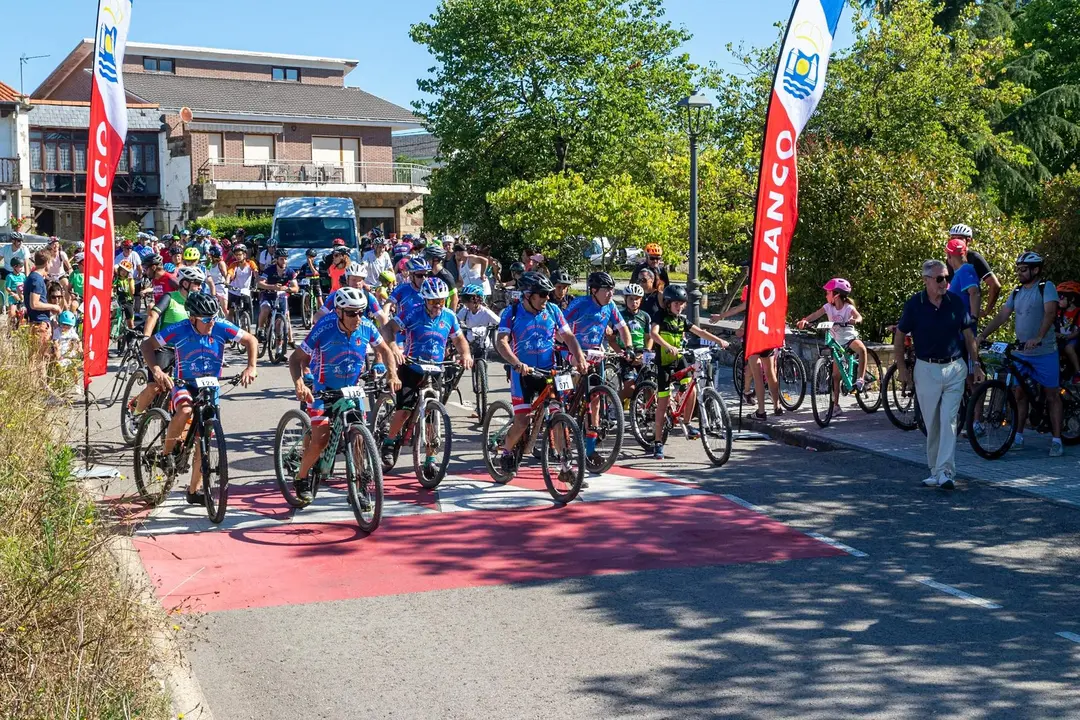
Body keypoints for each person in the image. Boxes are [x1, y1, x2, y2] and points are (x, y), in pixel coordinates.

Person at [141, 292, 257, 505]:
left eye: (213, 317)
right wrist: (157, 370)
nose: (211, 323)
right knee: (185, 411)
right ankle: (166, 454)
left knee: (204, 440)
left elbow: (251, 339)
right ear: (193, 317)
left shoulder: (220, 326)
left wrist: (251, 366)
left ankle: (194, 491)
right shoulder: (179, 329)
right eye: (206, 319)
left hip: (211, 386)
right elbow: (147, 345)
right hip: (184, 383)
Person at [289, 286, 400, 503]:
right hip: (323, 390)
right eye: (351, 313)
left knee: (359, 438)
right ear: (338, 312)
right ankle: (301, 477)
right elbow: (295, 358)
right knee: (321, 440)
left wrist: (392, 375)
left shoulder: (367, 326)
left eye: (360, 312)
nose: (357, 317)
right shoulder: (324, 326)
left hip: (351, 389)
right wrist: (300, 383)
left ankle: (359, 488)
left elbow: (385, 351)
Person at [894, 259, 984, 487]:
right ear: (926, 280)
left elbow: (968, 336)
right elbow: (899, 335)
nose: (945, 282)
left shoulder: (955, 302)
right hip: (926, 369)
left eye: (947, 278)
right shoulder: (915, 304)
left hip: (955, 368)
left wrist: (976, 364)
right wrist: (902, 369)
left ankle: (945, 472)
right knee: (932, 423)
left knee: (949, 420)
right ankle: (935, 470)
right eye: (940, 278)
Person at [495, 271, 587, 472]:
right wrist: (516, 363)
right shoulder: (511, 313)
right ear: (528, 295)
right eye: (543, 295)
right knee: (522, 420)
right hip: (523, 373)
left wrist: (579, 357)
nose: (548, 298)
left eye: (548, 294)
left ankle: (566, 467)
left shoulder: (553, 310)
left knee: (559, 415)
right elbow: (501, 342)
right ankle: (507, 451)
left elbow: (569, 337)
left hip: (549, 372)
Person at [383, 277, 472, 477]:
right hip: (412, 366)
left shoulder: (449, 315)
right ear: (424, 300)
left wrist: (465, 354)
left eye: (441, 300)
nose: (437, 305)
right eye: (433, 301)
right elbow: (388, 329)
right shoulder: (412, 312)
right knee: (404, 410)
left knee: (433, 416)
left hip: (436, 369)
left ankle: (430, 459)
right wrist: (395, 348)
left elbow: (459, 339)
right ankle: (389, 441)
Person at [978, 251, 1065, 457]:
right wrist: (983, 334)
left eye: (1023, 269)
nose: (1019, 273)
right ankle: (1017, 436)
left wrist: (1039, 337)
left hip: (1044, 351)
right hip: (1022, 352)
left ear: (1035, 270)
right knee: (1019, 393)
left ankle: (1057, 440)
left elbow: (1050, 313)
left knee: (1052, 395)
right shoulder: (1016, 291)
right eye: (1018, 269)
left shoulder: (1046, 288)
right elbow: (1002, 315)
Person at [649, 284, 729, 460]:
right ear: (668, 303)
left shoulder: (681, 320)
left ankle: (686, 422)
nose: (680, 307)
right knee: (662, 404)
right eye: (676, 304)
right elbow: (654, 334)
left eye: (682, 304)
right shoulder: (660, 316)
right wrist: (667, 346)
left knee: (692, 387)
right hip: (664, 362)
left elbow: (699, 331)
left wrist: (719, 341)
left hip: (679, 359)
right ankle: (657, 442)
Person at [564, 271, 633, 465]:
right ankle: (560, 430)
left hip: (596, 355)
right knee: (566, 396)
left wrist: (628, 347)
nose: (611, 294)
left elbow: (622, 327)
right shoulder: (579, 304)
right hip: (574, 352)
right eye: (607, 290)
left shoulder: (610, 306)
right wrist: (570, 349)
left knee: (595, 400)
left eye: (612, 290)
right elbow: (559, 326)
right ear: (594, 291)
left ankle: (590, 449)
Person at [796, 278, 869, 416]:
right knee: (836, 376)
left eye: (828, 292)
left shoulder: (848, 308)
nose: (826, 295)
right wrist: (805, 320)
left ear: (835, 295)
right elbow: (816, 314)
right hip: (836, 342)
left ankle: (860, 379)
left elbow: (859, 317)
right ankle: (836, 406)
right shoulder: (828, 307)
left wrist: (855, 320)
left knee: (862, 349)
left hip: (849, 339)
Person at [945, 224, 1002, 319]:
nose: (956, 241)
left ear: (969, 240)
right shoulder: (949, 258)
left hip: (967, 314)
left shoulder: (974, 258)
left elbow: (994, 285)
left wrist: (986, 311)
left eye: (960, 238)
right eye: (953, 238)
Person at [24, 251, 62, 377]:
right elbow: (34, 303)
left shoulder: (33, 277)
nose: (51, 265)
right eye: (50, 262)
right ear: (47, 263)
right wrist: (53, 306)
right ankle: (41, 389)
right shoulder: (37, 279)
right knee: (40, 358)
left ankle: (40, 387)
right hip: (39, 323)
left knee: (37, 357)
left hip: (37, 321)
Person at [315, 262, 389, 327]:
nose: (357, 283)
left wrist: (386, 332)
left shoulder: (368, 297)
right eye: (353, 280)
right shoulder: (336, 295)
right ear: (347, 280)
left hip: (362, 333)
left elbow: (382, 317)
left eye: (359, 280)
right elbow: (318, 316)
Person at [617, 283, 652, 404]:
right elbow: (611, 339)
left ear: (641, 300)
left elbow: (649, 337)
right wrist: (620, 353)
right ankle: (613, 404)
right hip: (625, 352)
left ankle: (648, 411)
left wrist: (646, 352)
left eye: (637, 299)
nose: (634, 302)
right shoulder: (619, 316)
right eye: (631, 298)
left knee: (649, 385)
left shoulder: (645, 316)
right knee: (630, 389)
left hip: (641, 352)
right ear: (625, 299)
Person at [256, 248, 298, 345]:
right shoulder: (269, 270)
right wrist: (272, 287)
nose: (284, 261)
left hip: (281, 297)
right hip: (268, 295)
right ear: (277, 259)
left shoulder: (290, 272)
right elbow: (260, 283)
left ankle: (279, 351)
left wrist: (287, 289)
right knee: (265, 309)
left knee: (280, 322)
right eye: (281, 259)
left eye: (286, 259)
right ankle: (260, 329)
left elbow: (296, 288)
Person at [226, 245, 258, 324]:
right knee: (231, 311)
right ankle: (230, 327)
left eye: (240, 254)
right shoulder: (234, 264)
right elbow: (229, 274)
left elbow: (256, 273)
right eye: (236, 255)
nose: (238, 257)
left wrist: (257, 283)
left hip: (245, 290)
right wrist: (227, 282)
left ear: (244, 255)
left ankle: (245, 324)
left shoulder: (250, 263)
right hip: (234, 290)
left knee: (246, 310)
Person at [1056, 281, 1080, 385]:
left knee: (1069, 348)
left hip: (1073, 338)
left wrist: (1068, 336)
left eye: (1061, 297)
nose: (1058, 300)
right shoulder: (1059, 312)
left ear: (1072, 299)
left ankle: (1078, 372)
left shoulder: (1078, 312)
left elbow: (1078, 331)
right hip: (1061, 338)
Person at [423, 244, 459, 311]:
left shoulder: (446, 276)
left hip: (443, 311)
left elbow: (454, 299)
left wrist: (450, 317)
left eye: (428, 259)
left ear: (436, 259)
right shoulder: (429, 274)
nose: (427, 261)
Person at [114, 260, 137, 330]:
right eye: (122, 270)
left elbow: (132, 292)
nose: (123, 272)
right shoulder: (117, 279)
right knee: (113, 314)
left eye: (125, 271)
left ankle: (131, 334)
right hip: (118, 301)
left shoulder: (130, 280)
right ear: (119, 270)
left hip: (128, 301)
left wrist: (130, 282)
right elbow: (113, 288)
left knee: (130, 321)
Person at [206, 245, 229, 314]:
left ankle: (230, 321)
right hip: (211, 288)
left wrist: (226, 282)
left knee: (225, 309)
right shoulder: (209, 265)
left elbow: (225, 274)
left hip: (221, 287)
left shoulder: (221, 263)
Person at [5, 257, 26, 325]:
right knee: (12, 314)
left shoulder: (23, 275)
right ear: (14, 267)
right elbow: (7, 288)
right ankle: (10, 330)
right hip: (13, 296)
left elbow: (25, 285)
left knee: (22, 315)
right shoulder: (10, 276)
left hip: (21, 296)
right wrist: (13, 294)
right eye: (20, 267)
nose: (21, 268)